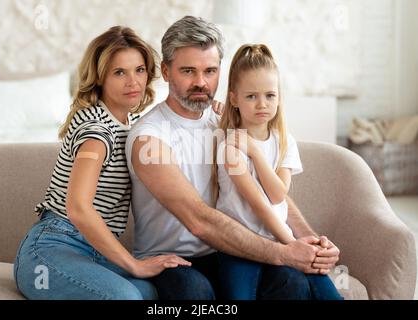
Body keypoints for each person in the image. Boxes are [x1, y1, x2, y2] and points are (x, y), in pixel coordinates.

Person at [126, 15, 340, 300]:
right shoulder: (149, 138)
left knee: (293, 282)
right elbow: (199, 220)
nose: (201, 82)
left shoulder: (225, 122)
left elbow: (268, 190)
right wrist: (285, 252)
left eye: (210, 71)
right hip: (172, 259)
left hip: (229, 250)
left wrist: (311, 243)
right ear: (166, 71)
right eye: (188, 71)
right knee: (195, 292)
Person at [13, 26, 191, 300]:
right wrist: (133, 264)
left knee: (150, 293)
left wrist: (214, 112)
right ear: (100, 78)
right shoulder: (97, 131)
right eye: (119, 72)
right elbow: (78, 208)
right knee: (126, 298)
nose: (133, 81)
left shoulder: (127, 125)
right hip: (48, 252)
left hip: (93, 252)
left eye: (139, 70)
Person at [213, 44, 343, 300]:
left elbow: (277, 194)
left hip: (279, 238)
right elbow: (260, 204)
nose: (262, 104)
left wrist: (257, 154)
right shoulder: (230, 146)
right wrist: (292, 245)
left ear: (279, 97)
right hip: (239, 246)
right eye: (251, 96)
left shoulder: (284, 142)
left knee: (324, 288)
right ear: (234, 99)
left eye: (270, 95)